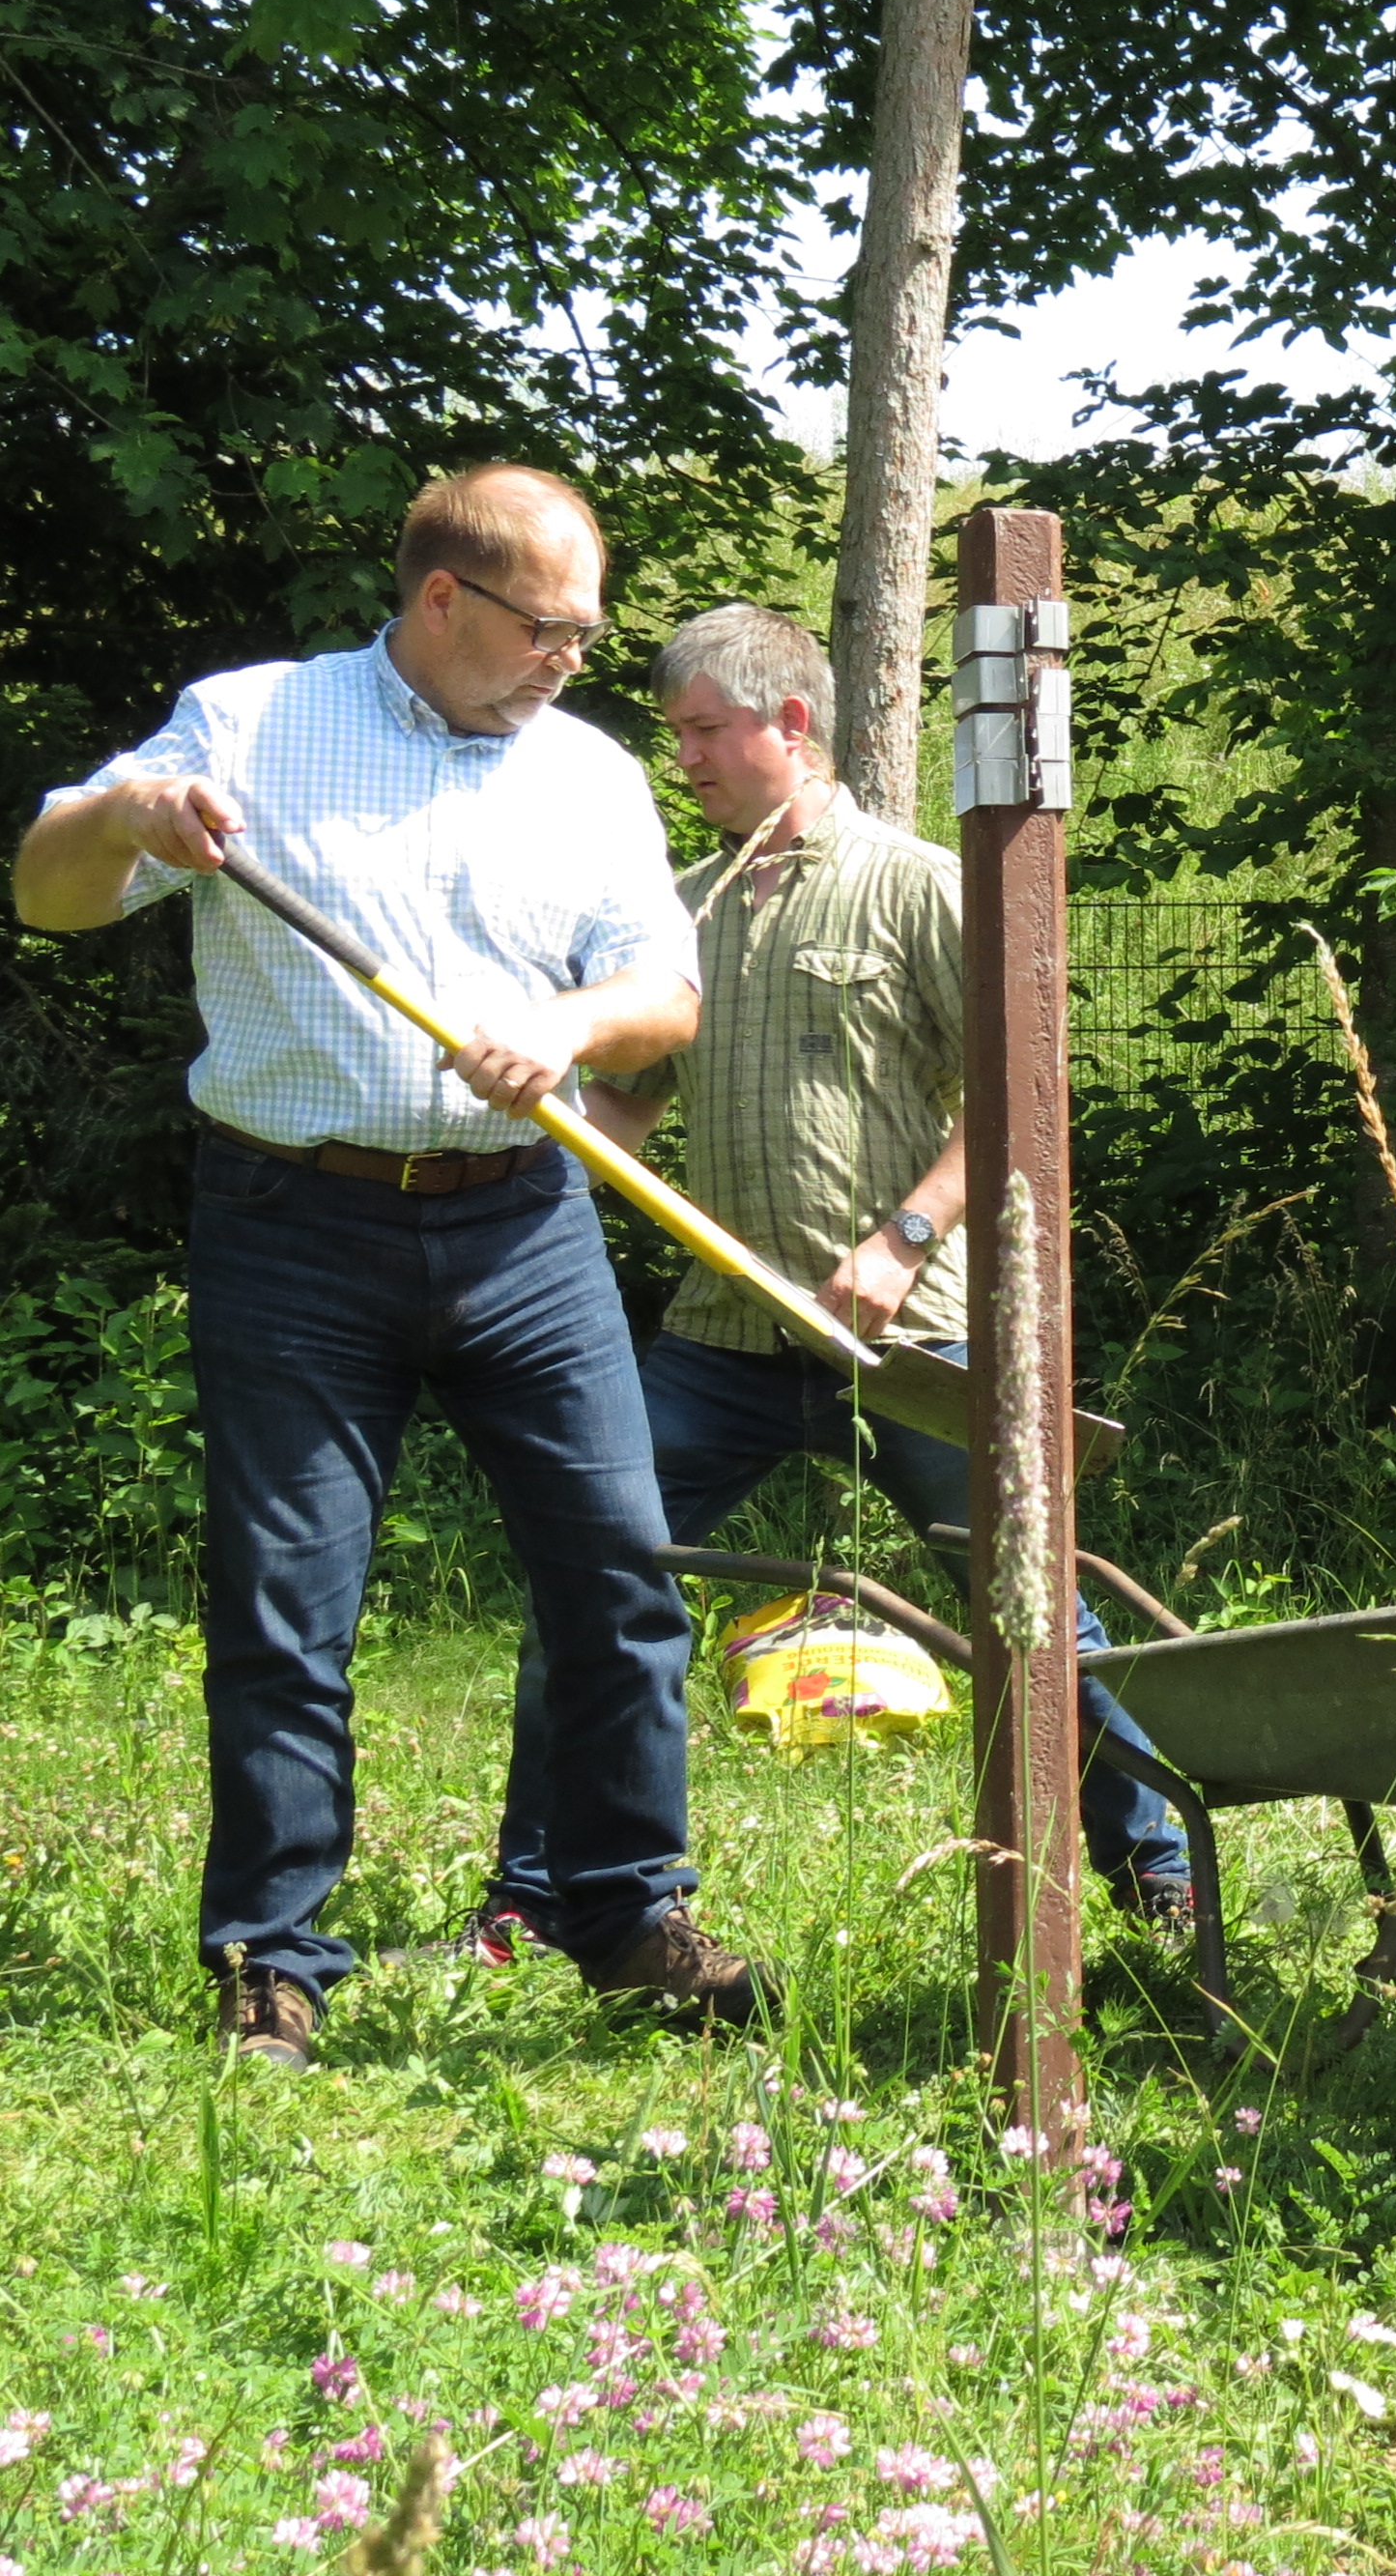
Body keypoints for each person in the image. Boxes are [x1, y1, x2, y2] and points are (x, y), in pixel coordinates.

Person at [10, 465, 764, 2063]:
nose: (574, 656)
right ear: (444, 600)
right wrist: (123, 817)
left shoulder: (589, 776)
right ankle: (272, 1957)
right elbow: (50, 896)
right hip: (294, 1225)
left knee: (620, 1575)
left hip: (524, 1223)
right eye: (552, 627)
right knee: (289, 1607)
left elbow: (662, 1000)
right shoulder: (247, 726)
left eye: (588, 631)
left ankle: (624, 1915)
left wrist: (565, 1025)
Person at [471, 606, 1193, 1956]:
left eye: (703, 730)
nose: (682, 756)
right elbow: (623, 1102)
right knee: (597, 1581)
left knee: (1030, 1603)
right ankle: (540, 1895)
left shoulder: (919, 884)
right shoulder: (677, 912)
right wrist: (530, 1178)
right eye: (676, 731)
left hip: (907, 1339)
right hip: (720, 1341)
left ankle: (1158, 1869)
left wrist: (907, 1235)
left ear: (789, 724)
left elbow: (1021, 1096)